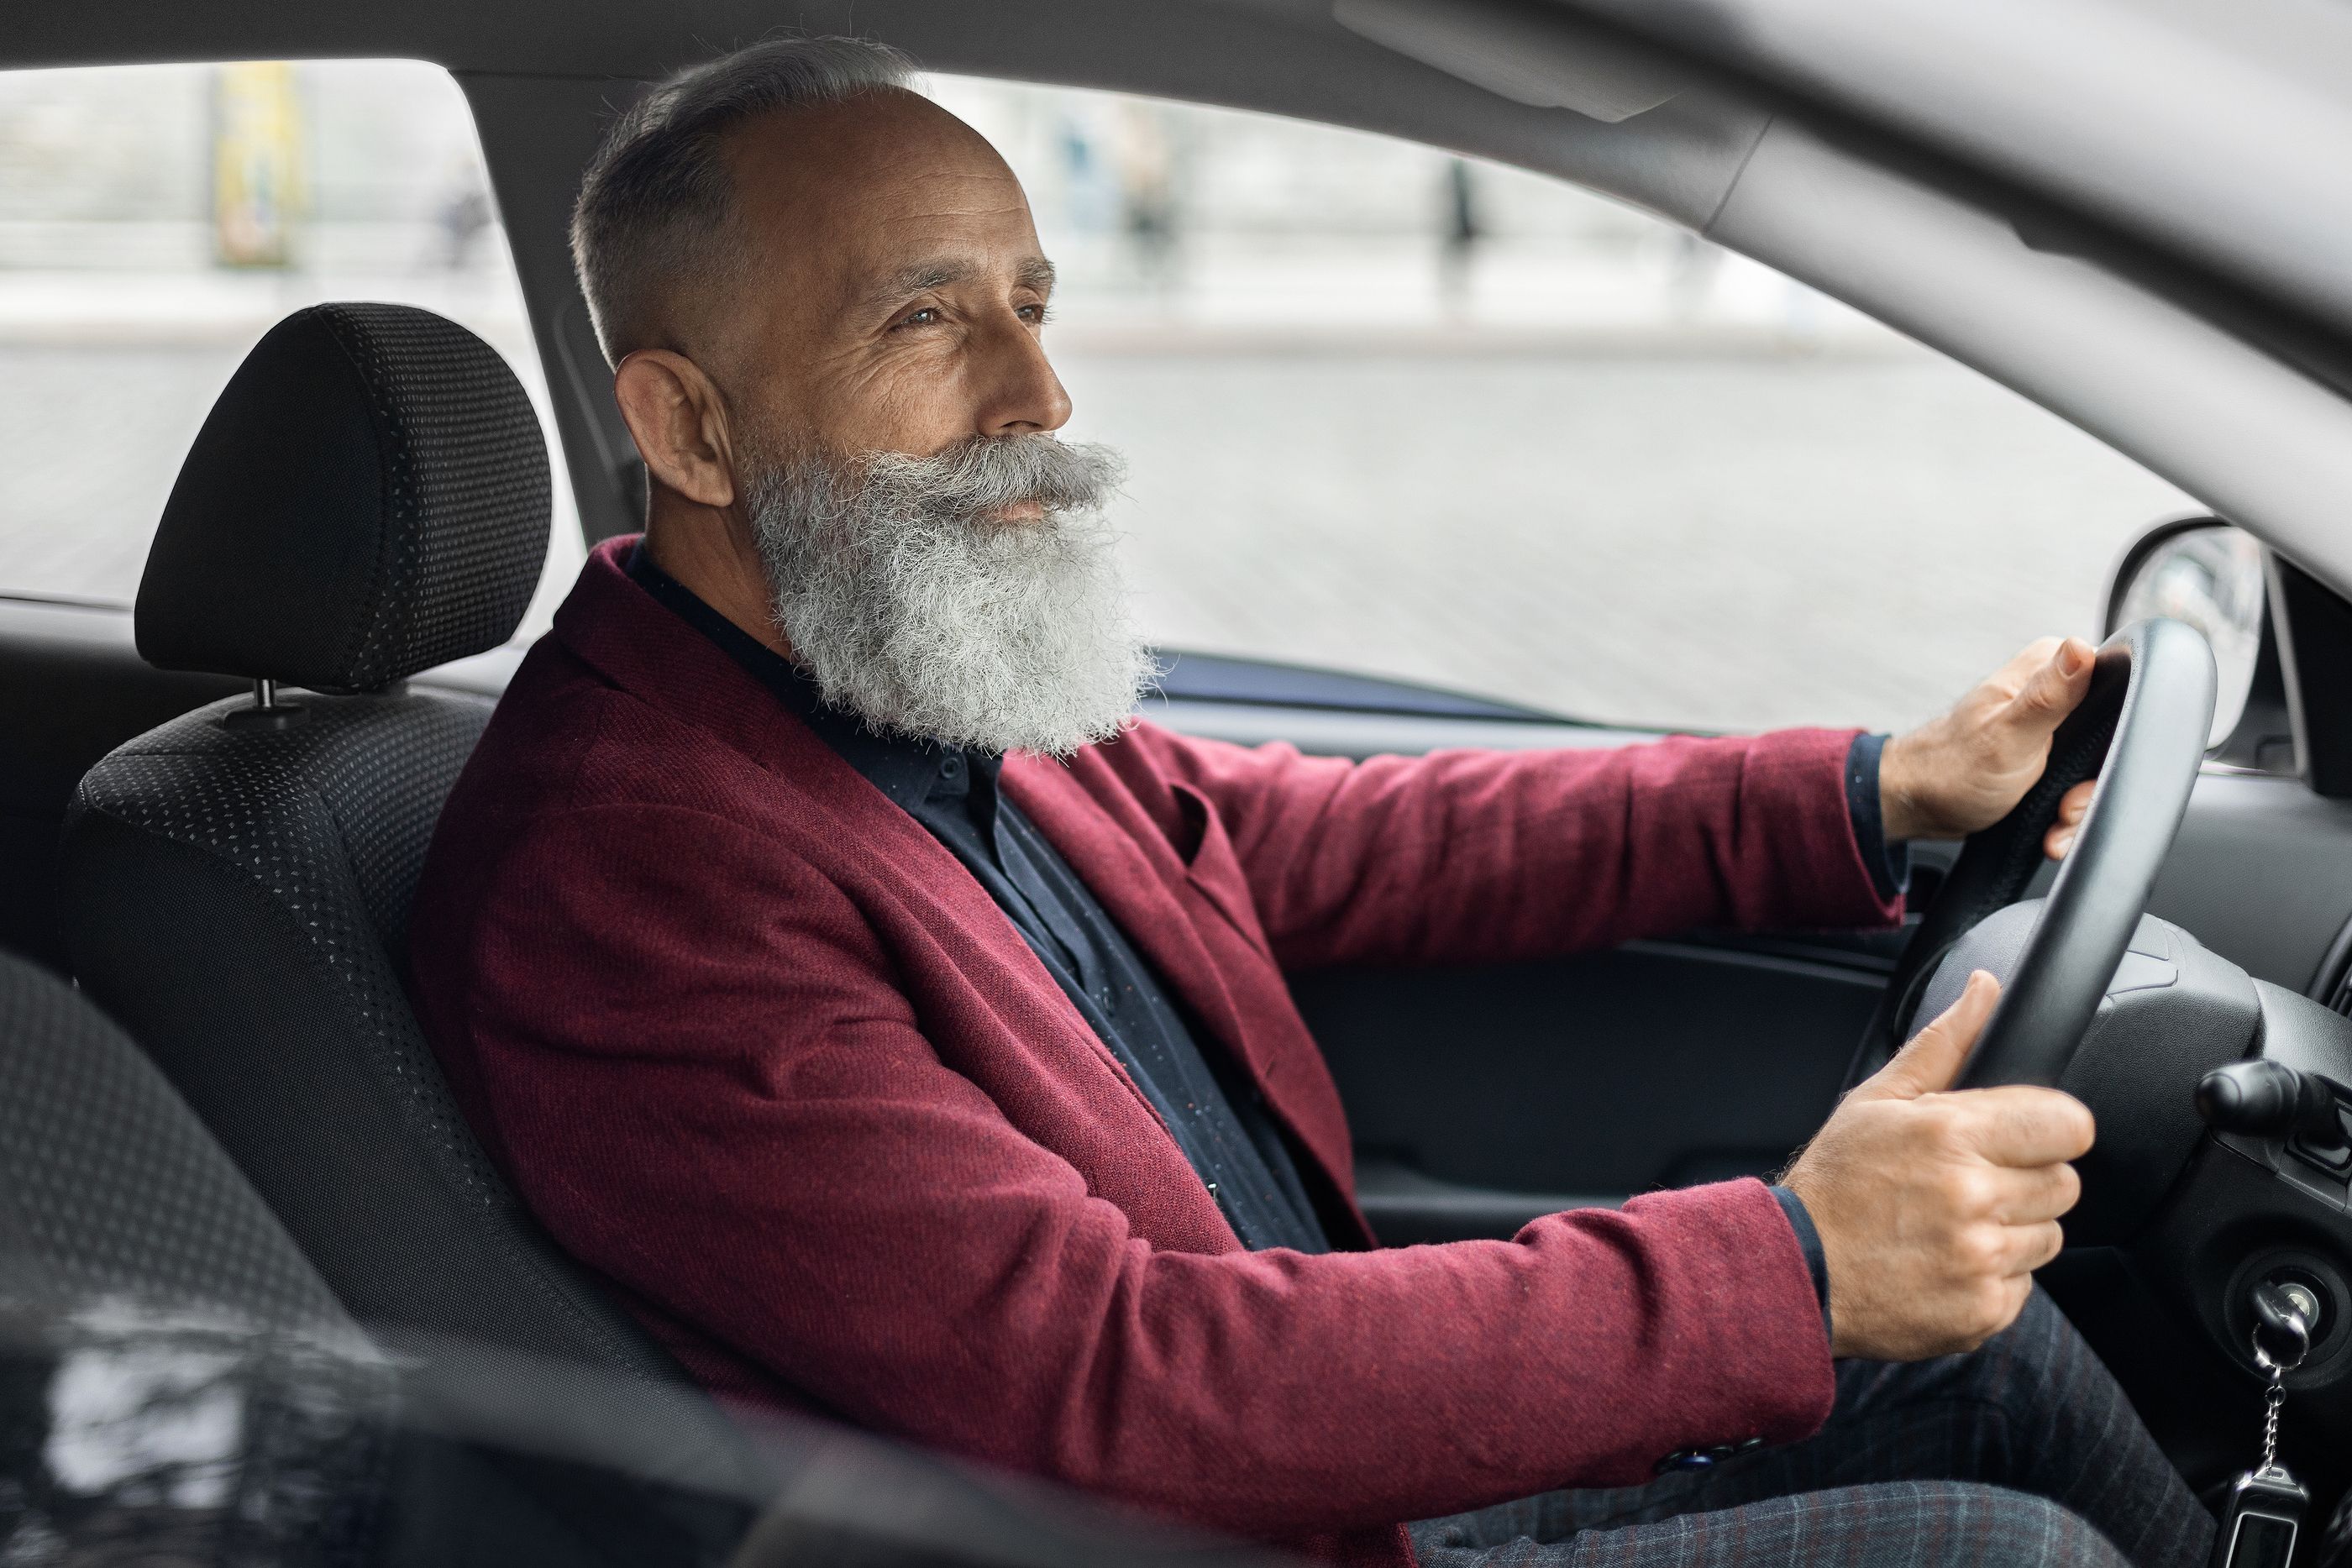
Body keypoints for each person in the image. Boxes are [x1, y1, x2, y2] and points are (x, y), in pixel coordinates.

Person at [405, 36, 2211, 1568]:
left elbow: (1321, 838)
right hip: (1215, 1518)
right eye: (921, 320)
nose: (1037, 392)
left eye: (1030, 303)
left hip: (1332, 1477)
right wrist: (1784, 1267)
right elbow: (1100, 1382)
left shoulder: (898, 671)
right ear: (692, 427)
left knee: (1996, 1353)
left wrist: (1868, 787)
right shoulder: (625, 877)